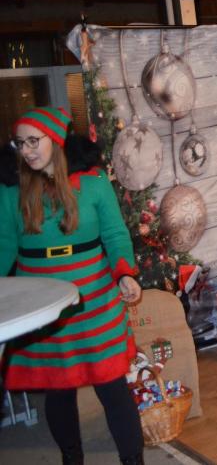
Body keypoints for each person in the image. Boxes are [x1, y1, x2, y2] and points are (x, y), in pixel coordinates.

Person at [0, 107, 145, 465]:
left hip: (95, 302)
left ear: (55, 139)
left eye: (33, 141)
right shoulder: (10, 193)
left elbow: (115, 235)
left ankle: (133, 460)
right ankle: (71, 458)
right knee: (59, 391)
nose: (26, 150)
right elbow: (4, 247)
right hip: (44, 308)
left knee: (113, 388)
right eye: (20, 143)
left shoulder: (94, 184)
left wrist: (125, 273)